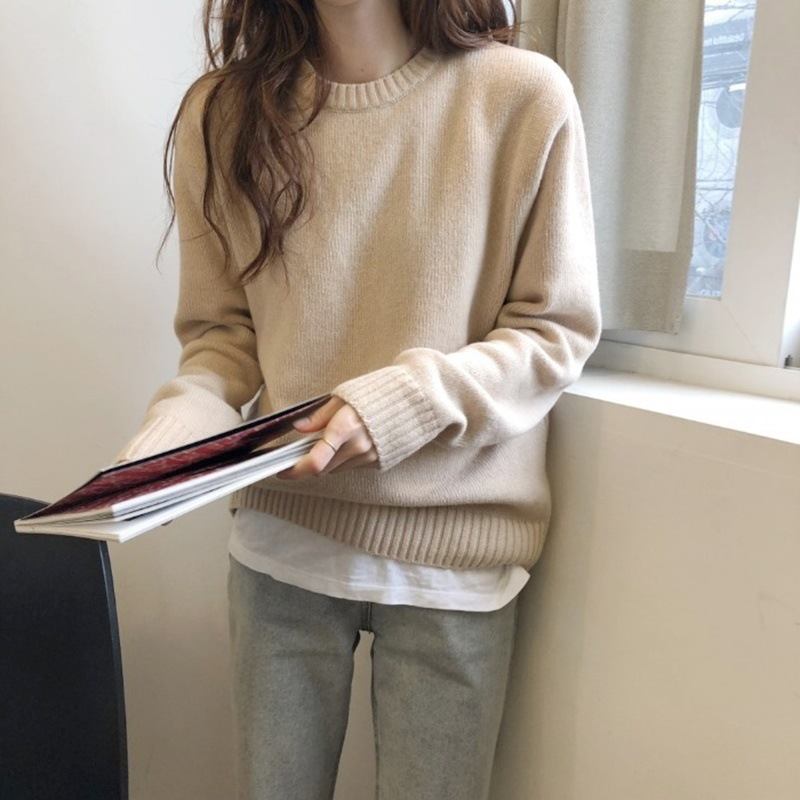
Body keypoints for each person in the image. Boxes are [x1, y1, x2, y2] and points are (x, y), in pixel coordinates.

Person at [117, 0, 602, 797]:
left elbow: (554, 332)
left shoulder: (522, 96)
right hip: (283, 544)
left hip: (454, 556)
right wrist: (172, 438)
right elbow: (221, 341)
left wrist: (405, 403)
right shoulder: (223, 115)